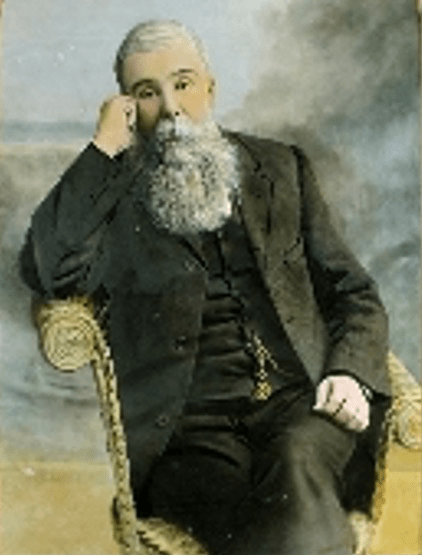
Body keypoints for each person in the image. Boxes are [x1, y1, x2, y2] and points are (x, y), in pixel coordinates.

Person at [19, 20, 391, 554]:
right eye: (147, 92)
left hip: (301, 406)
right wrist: (102, 147)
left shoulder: (281, 168)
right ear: (128, 108)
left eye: (183, 83)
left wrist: (349, 372)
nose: (171, 108)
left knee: (295, 464)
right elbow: (46, 270)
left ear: (210, 87)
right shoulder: (113, 195)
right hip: (189, 436)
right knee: (271, 504)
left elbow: (353, 291)